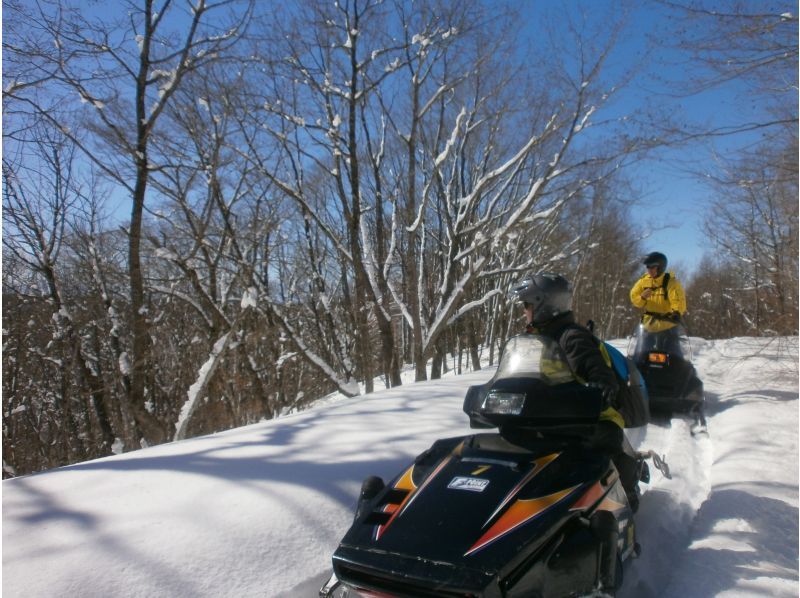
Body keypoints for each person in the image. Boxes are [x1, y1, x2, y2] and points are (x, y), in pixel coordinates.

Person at [511, 272, 641, 511]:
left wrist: (593, 392)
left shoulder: (573, 338)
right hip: (551, 417)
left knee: (594, 452)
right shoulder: (538, 339)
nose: (524, 311)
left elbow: (602, 380)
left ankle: (623, 495)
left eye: (527, 305)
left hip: (591, 417)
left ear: (545, 306)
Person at [629, 252, 687, 354]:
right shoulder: (643, 281)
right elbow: (634, 298)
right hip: (648, 326)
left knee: (676, 357)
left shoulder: (671, 283)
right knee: (639, 356)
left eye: (652, 267)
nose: (649, 270)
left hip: (668, 325)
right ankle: (637, 369)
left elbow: (677, 300)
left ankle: (679, 369)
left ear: (661, 267)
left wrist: (676, 312)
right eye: (648, 267)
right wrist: (642, 297)